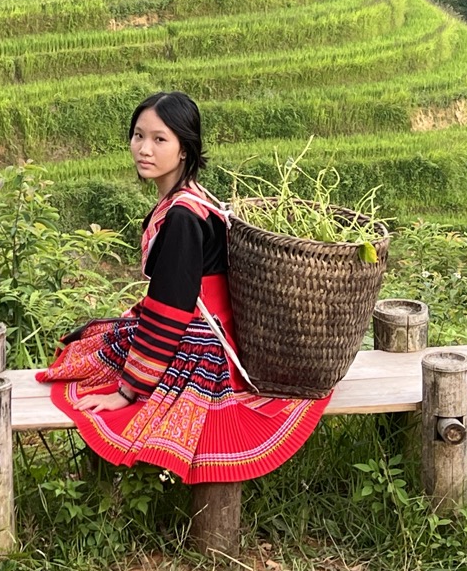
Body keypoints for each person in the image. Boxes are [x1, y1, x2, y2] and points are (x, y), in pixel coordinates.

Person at [36, 91, 330, 484]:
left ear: (184, 150)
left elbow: (169, 310)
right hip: (213, 323)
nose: (144, 149)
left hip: (201, 337)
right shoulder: (193, 199)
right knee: (96, 343)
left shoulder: (182, 218)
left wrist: (126, 392)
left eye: (160, 139)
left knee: (95, 366)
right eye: (138, 136)